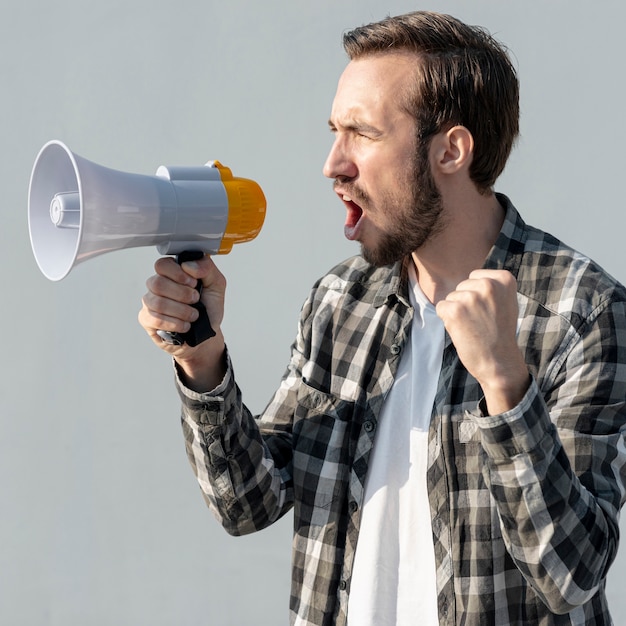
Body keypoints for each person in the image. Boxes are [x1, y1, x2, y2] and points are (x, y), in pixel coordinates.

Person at [138, 11, 626, 626]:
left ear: (451, 150)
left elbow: (571, 575)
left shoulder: (583, 309)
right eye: (334, 131)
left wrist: (507, 388)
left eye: (362, 134)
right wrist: (200, 359)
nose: (332, 163)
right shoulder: (342, 300)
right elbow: (248, 501)